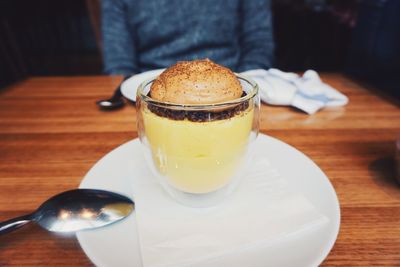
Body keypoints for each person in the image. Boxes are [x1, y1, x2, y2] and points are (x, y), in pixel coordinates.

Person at [101, 0, 274, 75]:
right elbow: (119, 63)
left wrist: (242, 89)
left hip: (231, 87)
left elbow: (259, 42)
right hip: (149, 93)